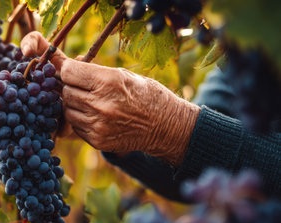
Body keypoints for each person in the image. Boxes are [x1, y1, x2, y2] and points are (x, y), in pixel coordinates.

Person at [20, 32, 281, 200]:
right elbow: (201, 171)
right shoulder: (253, 27)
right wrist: (123, 136)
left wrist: (172, 127)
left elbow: (192, 137)